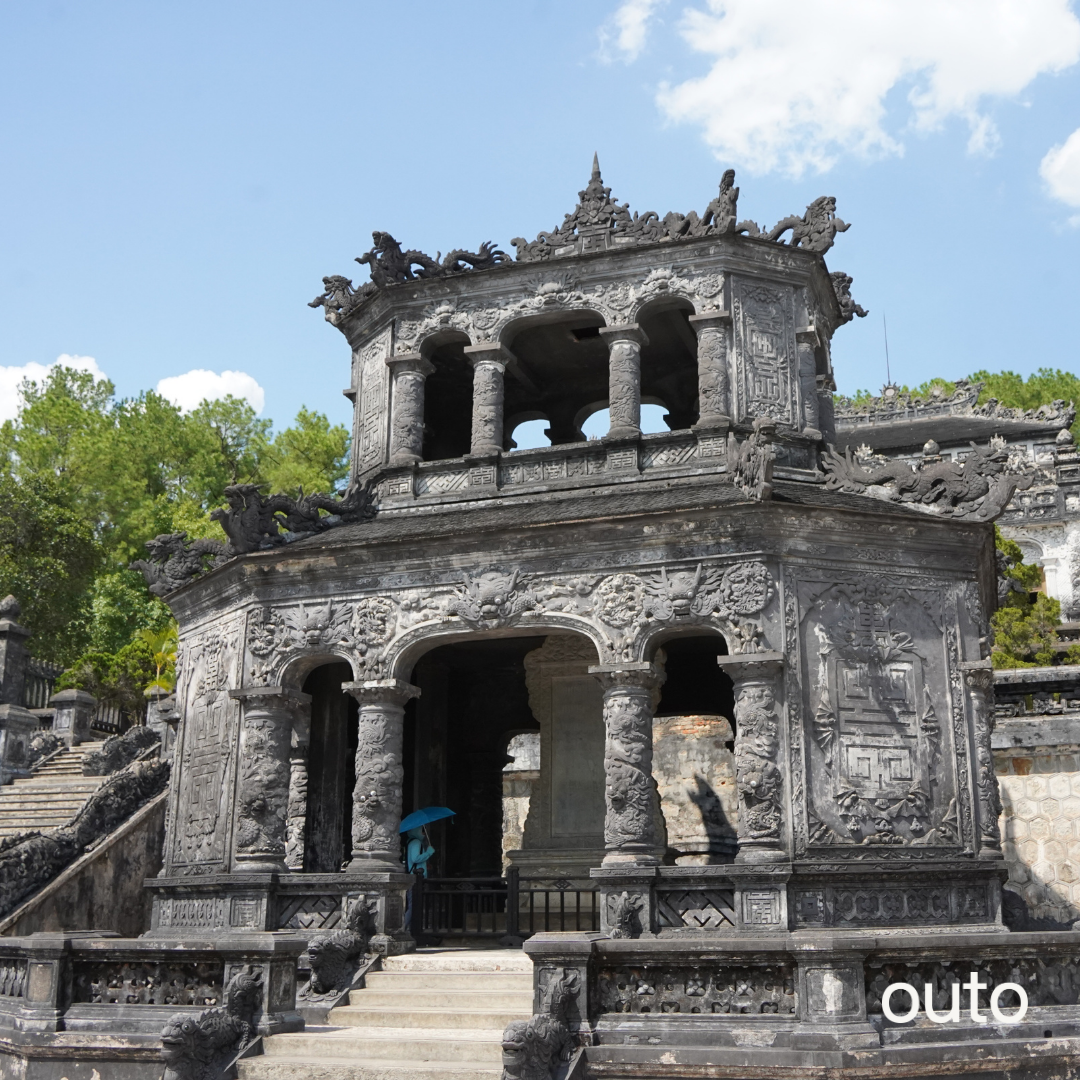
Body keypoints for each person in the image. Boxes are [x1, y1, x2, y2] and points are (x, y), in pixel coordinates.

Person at [403, 826, 435, 932]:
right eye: (421, 831)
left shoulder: (411, 842)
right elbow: (415, 858)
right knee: (413, 906)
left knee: (414, 905)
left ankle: (410, 929)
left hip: (413, 876)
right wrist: (428, 853)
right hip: (415, 878)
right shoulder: (416, 842)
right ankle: (402, 928)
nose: (423, 833)